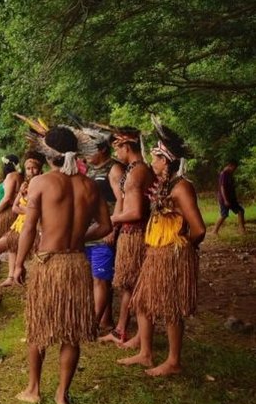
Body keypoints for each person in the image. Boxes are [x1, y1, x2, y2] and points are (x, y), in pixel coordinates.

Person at [12, 126, 112, 404]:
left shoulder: (41, 183)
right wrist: (80, 236)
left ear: (50, 154)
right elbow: (106, 227)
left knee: (40, 326)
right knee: (71, 331)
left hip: (49, 262)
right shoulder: (90, 185)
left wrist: (18, 264)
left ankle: (33, 389)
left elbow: (29, 228)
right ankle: (62, 395)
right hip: (77, 263)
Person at [118, 119, 205, 376]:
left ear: (165, 160)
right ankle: (145, 353)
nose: (152, 162)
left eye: (155, 158)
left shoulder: (182, 188)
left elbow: (199, 229)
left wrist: (183, 251)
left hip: (171, 254)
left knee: (170, 307)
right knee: (143, 302)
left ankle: (174, 361)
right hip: (155, 253)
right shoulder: (165, 186)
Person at [99, 127, 153, 347]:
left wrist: (111, 221)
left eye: (117, 147)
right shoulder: (136, 169)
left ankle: (126, 331)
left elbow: (137, 212)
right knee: (129, 284)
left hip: (135, 233)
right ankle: (123, 330)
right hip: (132, 232)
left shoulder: (136, 171)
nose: (116, 153)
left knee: (131, 284)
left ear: (126, 146)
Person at [0, 151, 44, 295]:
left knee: (33, 255)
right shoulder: (24, 185)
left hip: (35, 228)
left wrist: (27, 211)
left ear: (40, 169)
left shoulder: (43, 184)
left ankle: (27, 280)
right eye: (28, 168)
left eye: (34, 168)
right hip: (18, 226)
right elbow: (14, 207)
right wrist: (28, 209)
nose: (31, 171)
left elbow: (41, 210)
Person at [84, 133, 124, 331]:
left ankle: (93, 325)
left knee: (101, 278)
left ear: (102, 150)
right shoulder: (90, 169)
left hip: (105, 230)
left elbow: (121, 199)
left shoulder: (114, 168)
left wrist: (113, 228)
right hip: (90, 230)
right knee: (97, 278)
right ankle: (105, 320)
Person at [212, 161, 246, 235]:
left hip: (231, 199)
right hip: (225, 199)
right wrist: (225, 200)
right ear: (230, 165)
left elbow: (231, 187)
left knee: (240, 211)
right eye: (234, 168)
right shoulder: (223, 174)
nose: (235, 170)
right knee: (224, 215)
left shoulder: (230, 174)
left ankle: (241, 229)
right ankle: (214, 231)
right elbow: (222, 187)